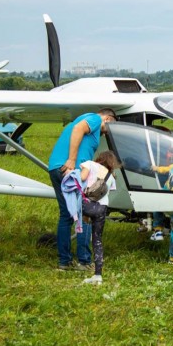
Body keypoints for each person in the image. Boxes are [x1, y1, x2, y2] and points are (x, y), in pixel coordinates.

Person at [48, 108, 117, 271]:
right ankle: (84, 261)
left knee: (65, 215)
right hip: (72, 170)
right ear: (107, 118)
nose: (105, 133)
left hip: (56, 168)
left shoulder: (83, 121)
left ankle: (64, 262)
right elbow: (79, 129)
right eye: (109, 128)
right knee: (85, 214)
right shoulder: (94, 119)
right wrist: (72, 160)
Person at [79, 150, 119, 285]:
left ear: (100, 158)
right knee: (98, 240)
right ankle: (98, 275)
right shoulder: (111, 176)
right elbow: (109, 190)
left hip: (86, 205)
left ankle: (83, 219)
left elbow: (82, 178)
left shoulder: (90, 164)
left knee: (72, 214)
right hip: (101, 208)